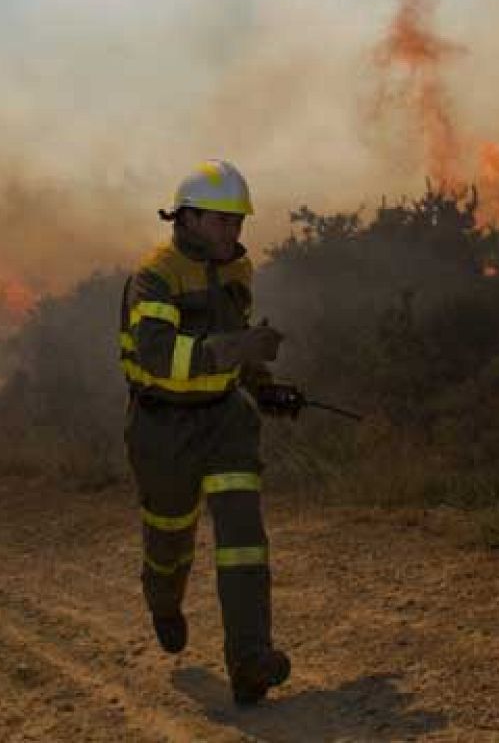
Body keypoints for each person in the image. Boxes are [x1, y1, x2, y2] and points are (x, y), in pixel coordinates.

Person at [119, 159, 305, 706]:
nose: (233, 233)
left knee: (243, 540)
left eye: (239, 222)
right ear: (189, 217)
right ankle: (162, 599)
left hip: (224, 419)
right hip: (162, 425)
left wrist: (262, 385)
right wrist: (236, 349)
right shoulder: (155, 274)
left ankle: (250, 661)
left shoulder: (237, 271)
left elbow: (232, 338)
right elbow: (153, 357)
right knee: (170, 540)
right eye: (222, 222)